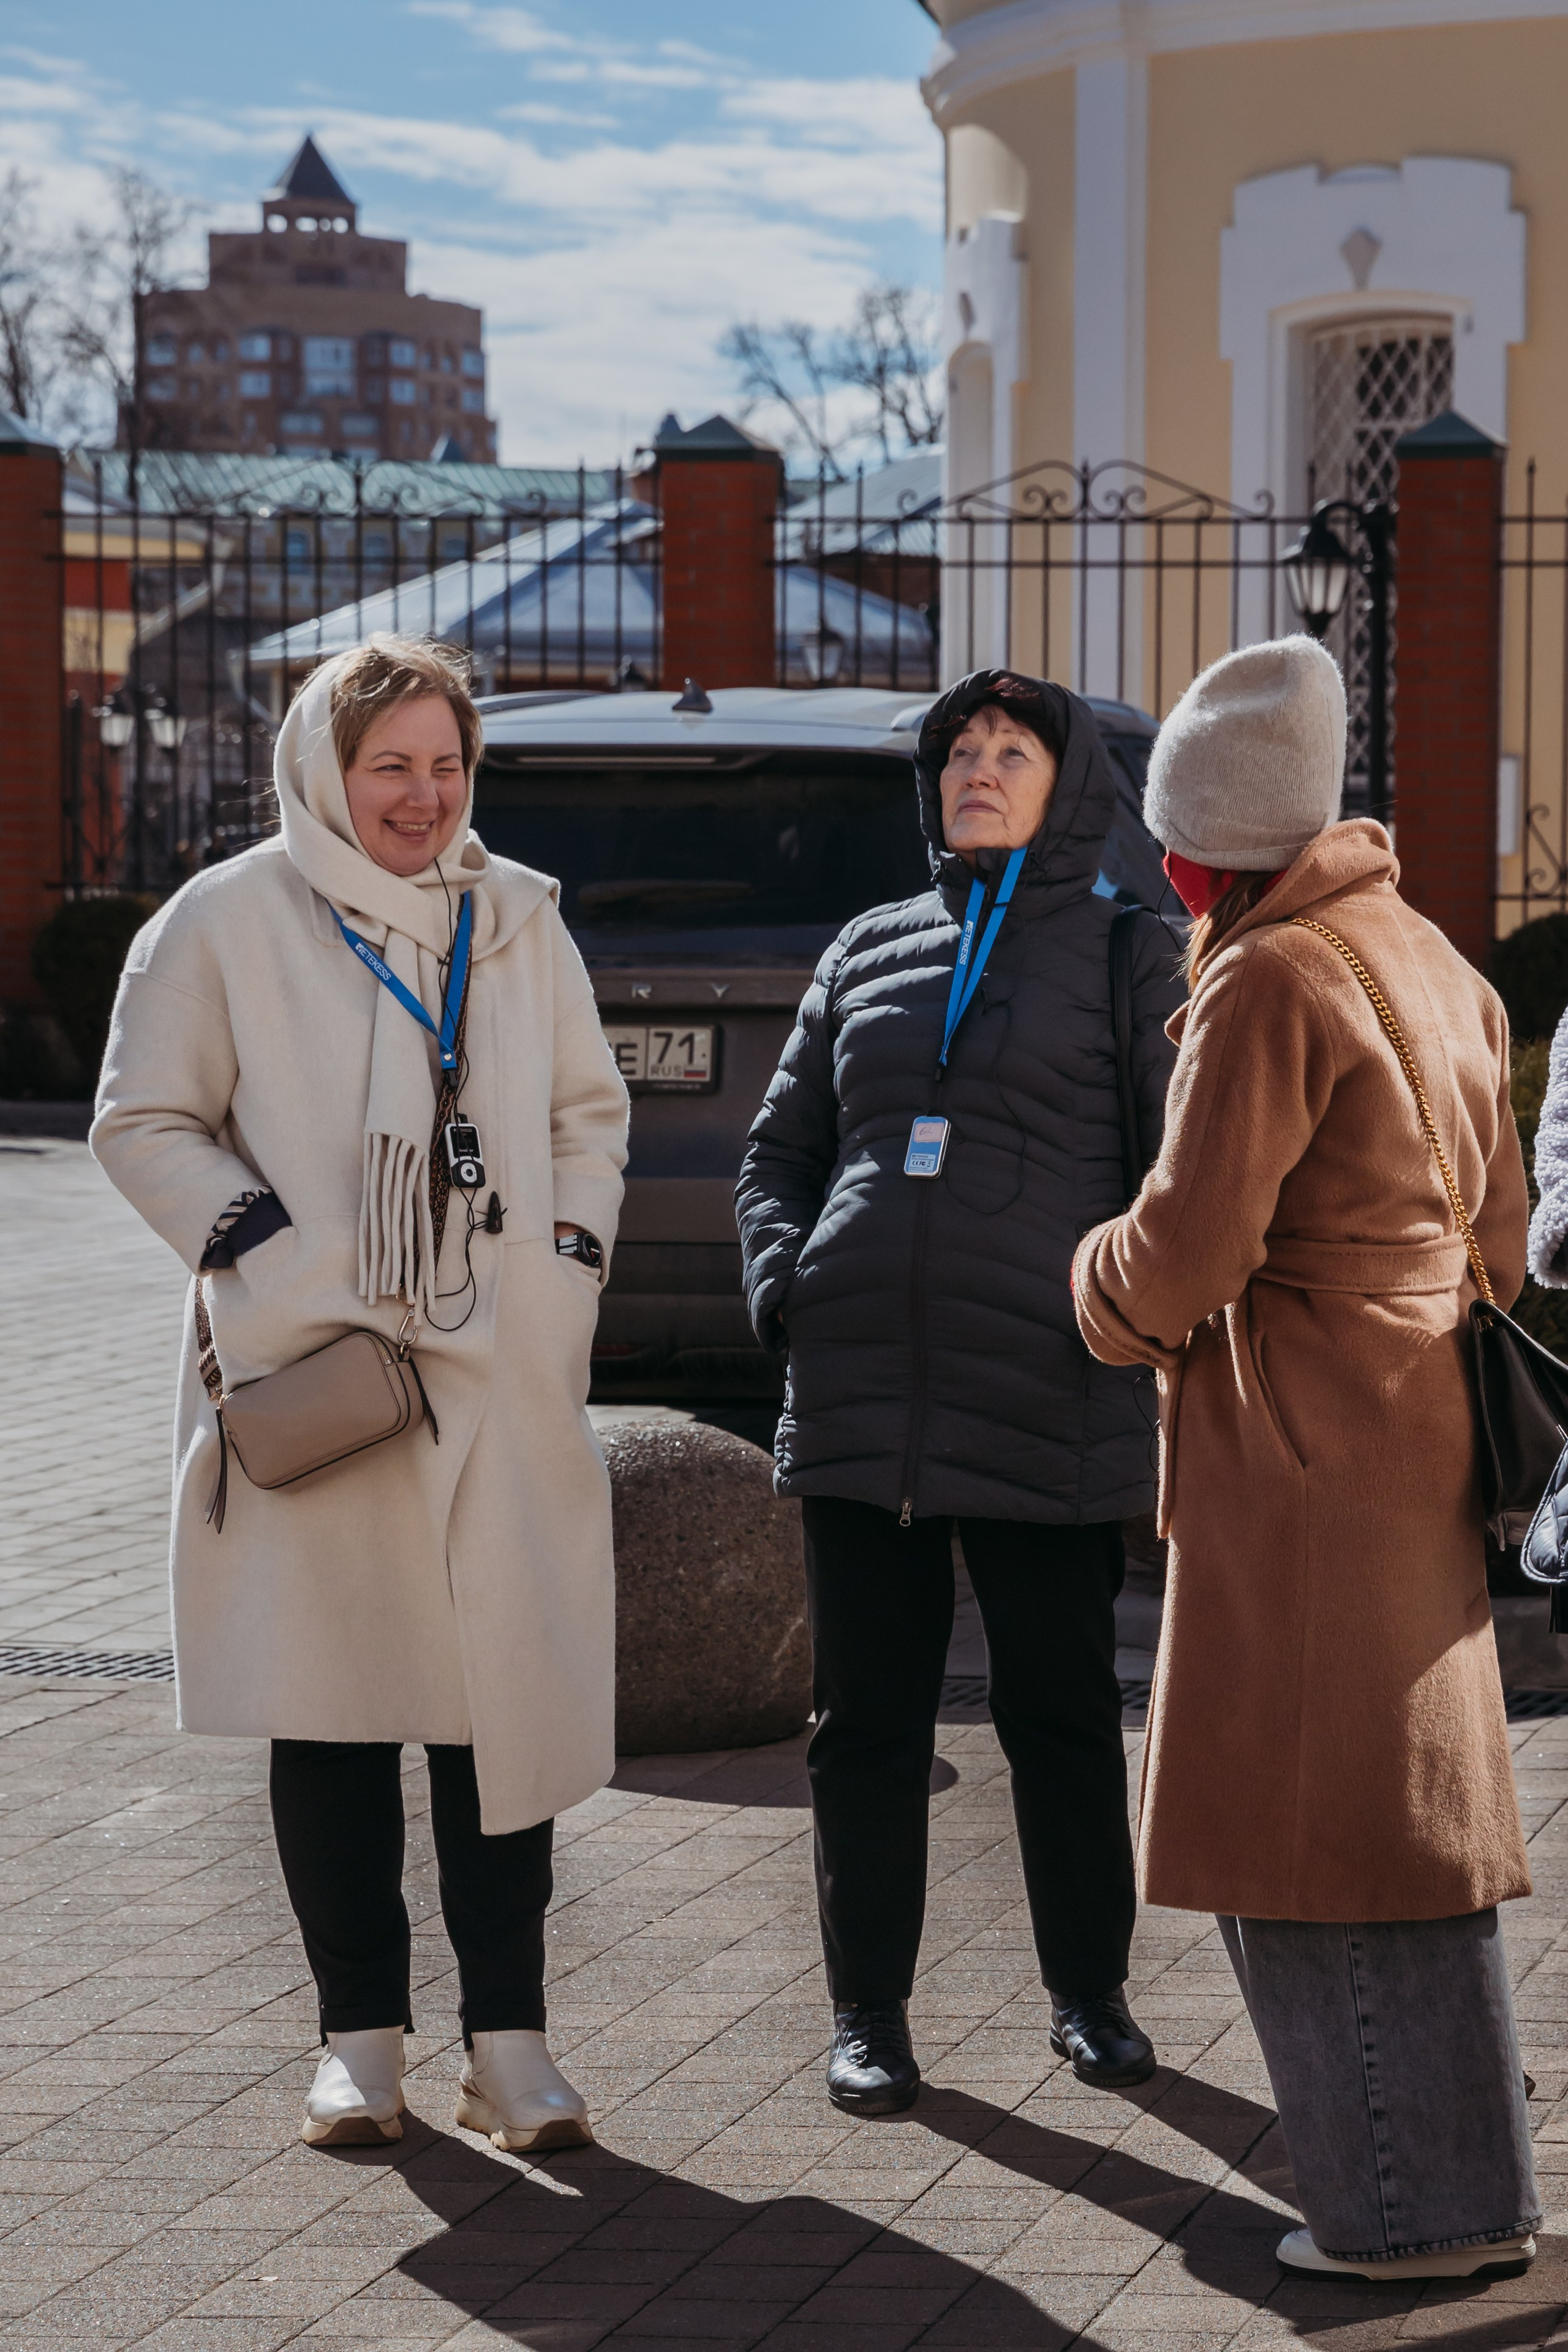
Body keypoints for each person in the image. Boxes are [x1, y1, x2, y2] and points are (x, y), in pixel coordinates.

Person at [92, 636, 629, 2153]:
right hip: (322, 1370)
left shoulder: (517, 918)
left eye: (446, 763)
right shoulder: (227, 919)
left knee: (494, 1716)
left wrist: (565, 1269)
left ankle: (510, 2044)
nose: (422, 793)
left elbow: (590, 1112)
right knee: (328, 1717)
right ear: (324, 767)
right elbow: (142, 1120)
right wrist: (267, 1249)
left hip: (496, 1375)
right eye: (389, 763)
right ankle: (361, 2043)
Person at [1073, 635, 1540, 2282]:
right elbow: (1506, 1231)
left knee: (1309, 1846)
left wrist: (1093, 1290)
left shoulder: (1268, 977)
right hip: (1416, 1436)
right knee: (1409, 1839)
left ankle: (1395, 2221)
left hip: (1298, 1459)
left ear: (1205, 840)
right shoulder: (1424, 951)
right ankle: (1475, 2201)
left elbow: (1187, 1253)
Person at [736, 669, 1184, 2116]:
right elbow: (777, 1154)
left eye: (1010, 750)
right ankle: (867, 2014)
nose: (978, 769)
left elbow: (1173, 1169)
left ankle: (1088, 1998)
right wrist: (781, 1287)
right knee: (863, 1726)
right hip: (860, 1399)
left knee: (1057, 1713)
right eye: (958, 752)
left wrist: (1122, 1320)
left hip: (1046, 1389)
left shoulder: (1131, 953)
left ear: (1070, 790)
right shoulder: (866, 946)